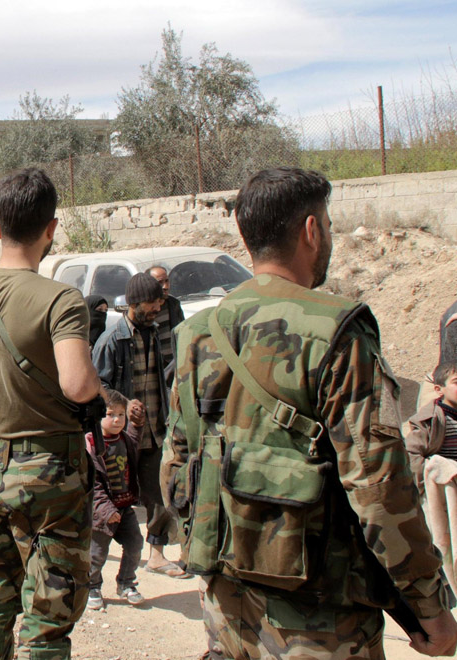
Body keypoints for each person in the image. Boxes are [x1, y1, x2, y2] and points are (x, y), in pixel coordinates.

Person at [163, 166, 457, 659]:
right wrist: (429, 603)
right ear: (311, 230)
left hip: (225, 605)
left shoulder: (197, 331)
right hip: (320, 620)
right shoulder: (337, 331)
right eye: (329, 225)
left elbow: (177, 464)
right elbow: (379, 487)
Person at [0, 167, 100, 659]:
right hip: (54, 472)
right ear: (51, 229)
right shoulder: (61, 299)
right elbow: (78, 385)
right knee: (48, 614)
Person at [93, 272, 182, 578]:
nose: (158, 308)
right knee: (113, 500)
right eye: (152, 303)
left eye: (160, 302)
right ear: (135, 303)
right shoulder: (111, 340)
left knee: (159, 495)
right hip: (122, 438)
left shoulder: (154, 333)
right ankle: (97, 571)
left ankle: (156, 555)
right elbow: (98, 385)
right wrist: (124, 403)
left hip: (154, 431)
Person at [86, 388, 145, 610]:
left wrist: (137, 423)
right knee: (96, 554)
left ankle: (126, 582)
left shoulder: (124, 440)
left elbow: (135, 440)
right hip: (101, 513)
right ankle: (92, 587)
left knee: (135, 543)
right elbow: (93, 485)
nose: (117, 420)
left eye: (121, 415)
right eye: (110, 414)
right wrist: (106, 510)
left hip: (124, 508)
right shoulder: (91, 444)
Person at [406, 361, 457, 495]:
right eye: (456, 382)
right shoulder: (430, 419)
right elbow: (412, 454)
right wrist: (427, 485)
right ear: (439, 389)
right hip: (445, 489)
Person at [146, 265, 184, 383]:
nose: (165, 286)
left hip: (175, 365)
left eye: (167, 281)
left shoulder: (174, 304)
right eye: (160, 282)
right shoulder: (145, 309)